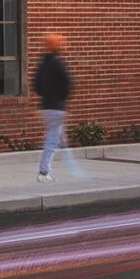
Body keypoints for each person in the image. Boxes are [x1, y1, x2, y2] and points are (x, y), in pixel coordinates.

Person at [33, 33, 86, 181]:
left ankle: (73, 170)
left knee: (59, 138)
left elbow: (36, 86)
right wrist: (61, 101)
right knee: (52, 140)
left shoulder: (42, 64)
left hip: (45, 107)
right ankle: (44, 172)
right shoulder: (58, 64)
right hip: (56, 107)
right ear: (57, 47)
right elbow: (68, 84)